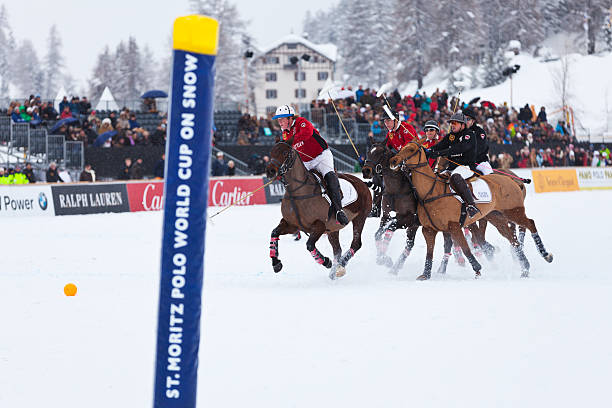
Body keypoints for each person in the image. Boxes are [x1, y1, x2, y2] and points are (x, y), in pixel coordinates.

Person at [273, 104, 348, 225]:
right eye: (278, 119)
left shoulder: (301, 122)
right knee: (296, 181)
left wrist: (288, 142)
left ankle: (339, 211)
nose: (279, 122)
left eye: (282, 119)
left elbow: (306, 134)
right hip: (306, 161)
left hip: (321, 156)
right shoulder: (285, 133)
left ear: (290, 118)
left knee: (330, 178)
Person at [425, 112, 479, 217]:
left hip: (467, 167)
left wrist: (439, 153)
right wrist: (427, 150)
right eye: (451, 123)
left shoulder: (469, 135)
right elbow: (439, 146)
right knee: (436, 178)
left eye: (455, 123)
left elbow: (459, 148)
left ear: (463, 125)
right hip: (452, 168)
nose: (452, 125)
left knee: (456, 177)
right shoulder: (451, 136)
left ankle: (471, 205)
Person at [462, 107, 493, 175]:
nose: (465, 121)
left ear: (473, 121)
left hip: (480, 162)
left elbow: (480, 148)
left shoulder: (480, 132)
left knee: (488, 173)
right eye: (463, 119)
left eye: (468, 119)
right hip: (462, 164)